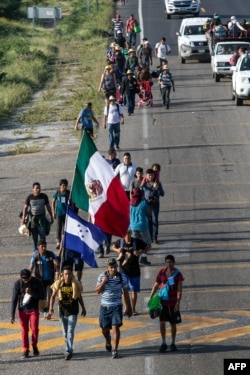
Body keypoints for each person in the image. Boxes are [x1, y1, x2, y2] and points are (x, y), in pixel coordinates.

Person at [95, 258, 132, 359]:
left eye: (115, 267)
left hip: (116, 305)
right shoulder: (102, 276)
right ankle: (108, 339)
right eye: (111, 267)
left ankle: (115, 350)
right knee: (104, 329)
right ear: (107, 268)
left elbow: (125, 293)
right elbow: (97, 291)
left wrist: (129, 307)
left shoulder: (122, 277)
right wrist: (103, 282)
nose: (113, 269)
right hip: (105, 306)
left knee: (115, 327)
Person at [47, 265, 86, 360]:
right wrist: (50, 309)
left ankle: (68, 350)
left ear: (72, 274)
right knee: (65, 332)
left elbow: (79, 296)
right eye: (65, 274)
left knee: (70, 331)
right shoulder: (59, 284)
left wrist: (83, 308)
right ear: (62, 275)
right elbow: (52, 296)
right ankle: (69, 347)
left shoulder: (75, 284)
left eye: (69, 274)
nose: (67, 276)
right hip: (62, 311)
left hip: (73, 311)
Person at [149, 255, 184, 353]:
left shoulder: (178, 274)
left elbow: (179, 290)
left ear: (174, 262)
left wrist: (177, 303)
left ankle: (173, 343)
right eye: (167, 262)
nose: (169, 264)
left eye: (170, 262)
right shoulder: (161, 272)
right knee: (162, 322)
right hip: (163, 302)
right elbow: (156, 285)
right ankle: (163, 342)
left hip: (173, 303)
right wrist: (151, 297)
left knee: (173, 324)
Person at [10, 269, 45, 359]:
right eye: (23, 279)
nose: (25, 280)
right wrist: (12, 315)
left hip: (34, 309)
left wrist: (31, 292)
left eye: (27, 278)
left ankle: (34, 345)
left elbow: (42, 296)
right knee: (24, 331)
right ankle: (25, 349)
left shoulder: (37, 282)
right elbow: (14, 299)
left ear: (30, 276)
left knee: (34, 329)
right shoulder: (18, 284)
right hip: (22, 310)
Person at [112, 231, 149, 315]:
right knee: (124, 290)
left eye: (128, 233)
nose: (127, 235)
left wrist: (140, 252)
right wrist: (118, 250)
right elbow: (112, 247)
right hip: (123, 269)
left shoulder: (136, 241)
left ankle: (133, 308)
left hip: (135, 269)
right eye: (125, 234)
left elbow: (147, 248)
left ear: (131, 233)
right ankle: (126, 308)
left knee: (134, 290)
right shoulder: (120, 242)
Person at [29, 239, 59, 317]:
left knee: (50, 296)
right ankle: (42, 310)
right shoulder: (35, 255)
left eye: (45, 246)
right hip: (40, 280)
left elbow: (56, 262)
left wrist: (56, 264)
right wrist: (29, 276)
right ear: (38, 247)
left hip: (50, 279)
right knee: (42, 296)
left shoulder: (51, 254)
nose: (44, 248)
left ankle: (49, 310)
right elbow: (31, 266)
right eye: (42, 246)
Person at [21, 182, 53, 250]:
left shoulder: (44, 196)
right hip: (33, 221)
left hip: (42, 220)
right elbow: (25, 208)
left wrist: (52, 216)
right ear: (33, 189)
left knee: (42, 237)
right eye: (36, 188)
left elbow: (48, 207)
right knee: (34, 238)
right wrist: (23, 219)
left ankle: (43, 252)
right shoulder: (29, 197)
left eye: (39, 188)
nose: (38, 189)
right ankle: (35, 252)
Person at [141, 168, 165, 244]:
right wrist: (141, 185)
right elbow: (139, 193)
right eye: (149, 175)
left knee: (155, 221)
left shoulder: (158, 183)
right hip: (147, 205)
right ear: (146, 176)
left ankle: (155, 238)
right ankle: (150, 237)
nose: (151, 177)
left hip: (155, 205)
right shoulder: (144, 184)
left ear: (154, 175)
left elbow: (162, 194)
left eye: (152, 175)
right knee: (149, 221)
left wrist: (156, 187)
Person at [129, 187, 151, 265]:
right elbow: (149, 213)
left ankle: (134, 260)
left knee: (135, 244)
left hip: (133, 226)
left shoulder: (130, 204)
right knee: (146, 244)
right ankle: (143, 258)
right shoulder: (143, 203)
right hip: (143, 226)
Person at [52, 179, 70, 249]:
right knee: (58, 227)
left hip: (66, 213)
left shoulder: (68, 193)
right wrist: (53, 212)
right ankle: (58, 241)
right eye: (63, 186)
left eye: (65, 186)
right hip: (59, 213)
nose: (64, 187)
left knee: (65, 228)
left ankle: (64, 241)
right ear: (60, 186)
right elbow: (53, 201)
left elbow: (72, 202)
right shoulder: (57, 193)